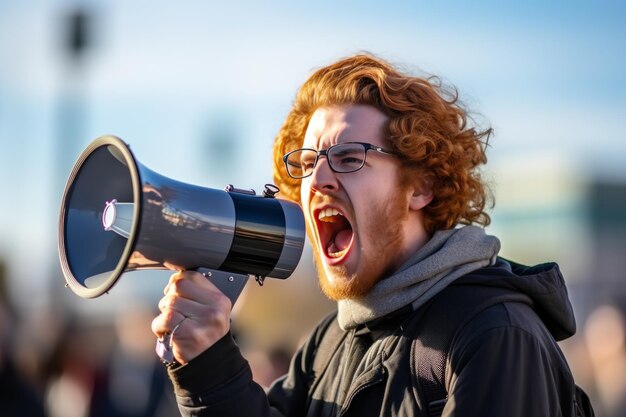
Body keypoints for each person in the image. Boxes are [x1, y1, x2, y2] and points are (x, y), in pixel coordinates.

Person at [151, 53, 584, 416]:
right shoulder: (327, 343)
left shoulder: (496, 335)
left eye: (348, 156)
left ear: (421, 187)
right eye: (307, 163)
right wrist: (207, 363)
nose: (317, 178)